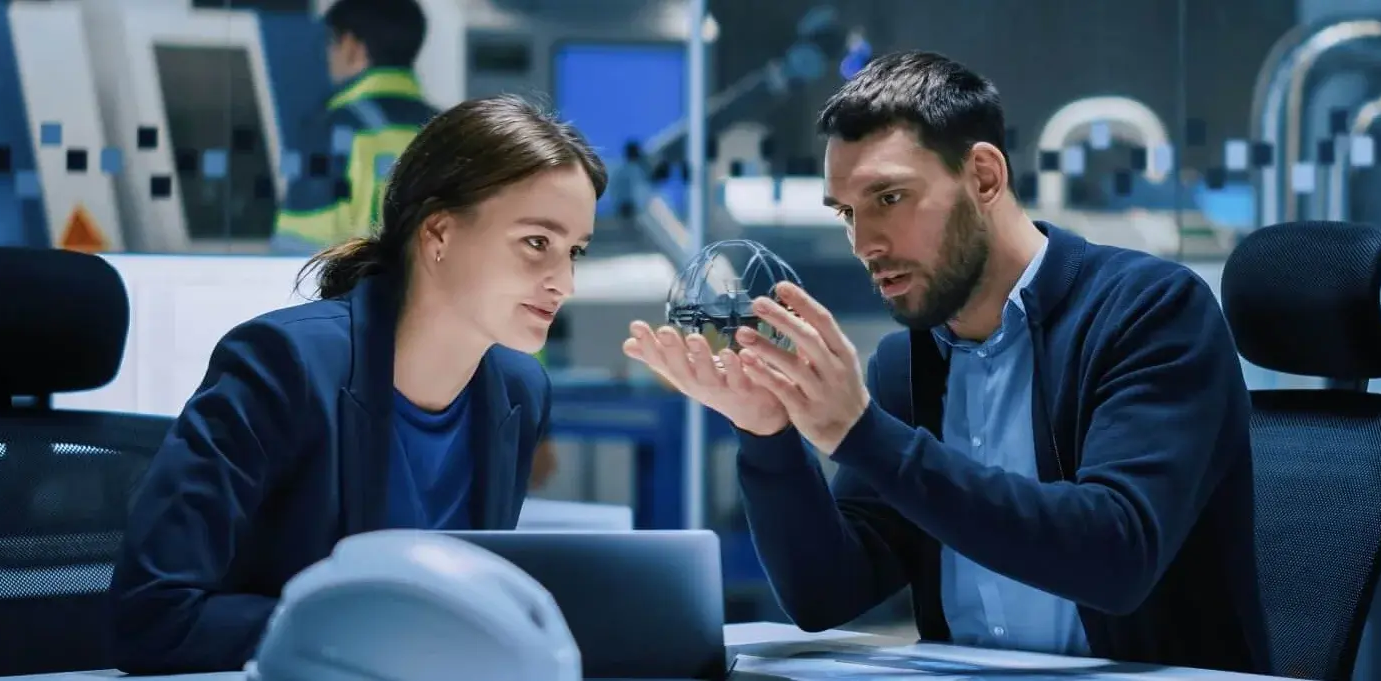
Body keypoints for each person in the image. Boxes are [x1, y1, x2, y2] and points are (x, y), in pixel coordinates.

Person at [622, 51, 1266, 673]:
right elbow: (825, 593)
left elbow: (1116, 557)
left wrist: (864, 434)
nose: (864, 243)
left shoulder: (1150, 311)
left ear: (984, 176)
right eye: (847, 211)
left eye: (890, 198)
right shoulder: (908, 362)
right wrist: (767, 436)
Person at [110, 95, 606, 675]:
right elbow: (155, 615)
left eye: (574, 252)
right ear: (439, 233)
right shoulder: (283, 364)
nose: (564, 282)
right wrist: (383, 635)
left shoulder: (519, 390)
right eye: (537, 244)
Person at [271, 0, 439, 255]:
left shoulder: (330, 129)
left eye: (331, 43)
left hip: (356, 291)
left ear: (350, 46)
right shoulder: (449, 130)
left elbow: (297, 246)